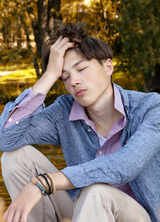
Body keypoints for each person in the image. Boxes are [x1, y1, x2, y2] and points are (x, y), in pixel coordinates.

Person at [0, 22, 160, 222]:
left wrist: (45, 182)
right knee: (14, 157)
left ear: (108, 66)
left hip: (136, 216)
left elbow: (126, 165)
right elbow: (5, 138)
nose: (74, 81)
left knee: (97, 191)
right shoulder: (63, 111)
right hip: (84, 210)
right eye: (65, 77)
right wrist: (49, 75)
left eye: (81, 69)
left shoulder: (150, 107)